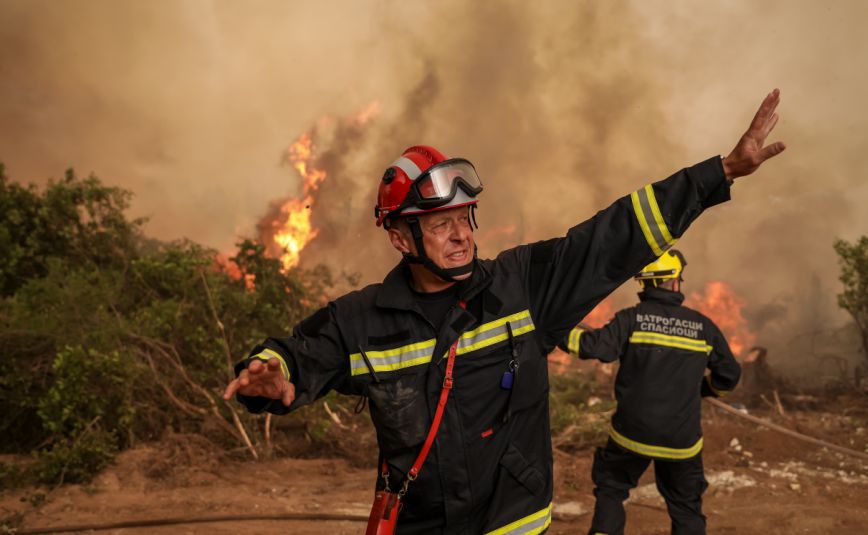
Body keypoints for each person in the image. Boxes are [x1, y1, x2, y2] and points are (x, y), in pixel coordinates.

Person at [223, 90, 785, 534]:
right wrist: (269, 378)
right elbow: (298, 355)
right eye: (441, 224)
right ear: (400, 238)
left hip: (512, 524)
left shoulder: (524, 286)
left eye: (466, 218)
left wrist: (721, 173)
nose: (462, 235)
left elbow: (613, 237)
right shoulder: (362, 318)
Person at [560, 249, 741, 535]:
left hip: (631, 436)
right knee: (686, 507)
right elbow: (730, 375)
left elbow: (591, 347)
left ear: (645, 283)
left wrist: (554, 328)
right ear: (674, 282)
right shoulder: (703, 327)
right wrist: (705, 390)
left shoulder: (631, 319)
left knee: (611, 490)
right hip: (682, 442)